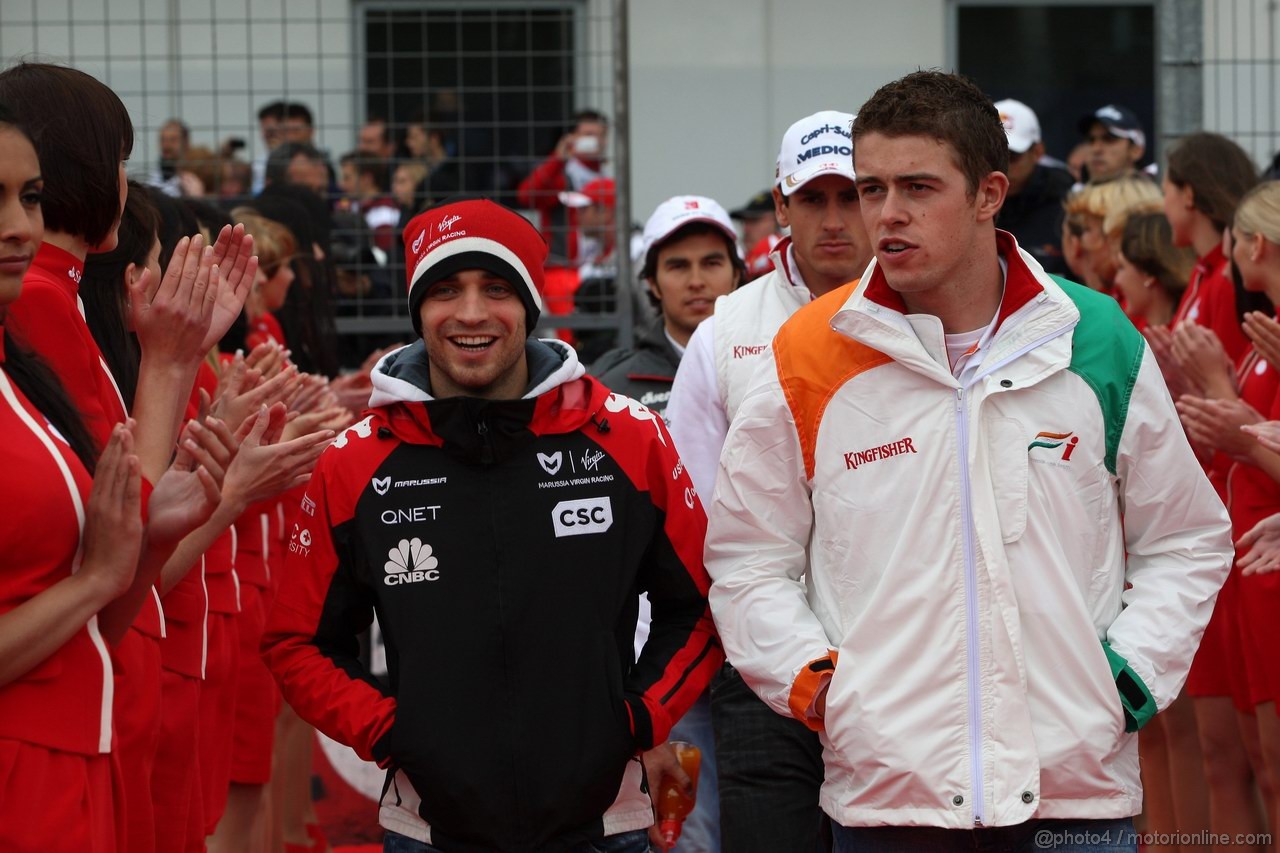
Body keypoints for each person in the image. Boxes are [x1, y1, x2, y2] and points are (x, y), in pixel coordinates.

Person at [704, 70, 1233, 852]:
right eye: (870, 187)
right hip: (891, 801)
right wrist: (822, 686)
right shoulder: (807, 354)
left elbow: (1186, 539)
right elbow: (749, 558)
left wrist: (1125, 681)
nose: (887, 214)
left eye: (918, 186)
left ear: (989, 193)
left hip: (1073, 801)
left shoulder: (1095, 339)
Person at [262, 197, 722, 852]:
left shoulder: (628, 437)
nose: (472, 313)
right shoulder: (356, 459)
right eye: (445, 289)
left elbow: (700, 606)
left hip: (603, 825)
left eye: (497, 289)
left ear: (531, 307)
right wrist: (391, 731)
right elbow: (296, 640)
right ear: (418, 309)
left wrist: (638, 717)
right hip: (429, 831)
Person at [665, 109, 871, 853]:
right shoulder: (726, 332)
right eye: (813, 200)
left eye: (852, 196)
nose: (835, 219)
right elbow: (690, 509)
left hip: (898, 655)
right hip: (762, 666)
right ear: (781, 206)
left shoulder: (936, 313)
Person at [592, 195, 743, 420]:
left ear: (736, 275)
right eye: (678, 266)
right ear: (653, 283)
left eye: (711, 263)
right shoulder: (612, 391)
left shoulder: (776, 368)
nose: (696, 281)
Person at [517, 109, 608, 265]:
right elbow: (526, 196)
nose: (597, 141)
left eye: (602, 135)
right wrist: (557, 159)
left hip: (597, 267)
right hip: (562, 268)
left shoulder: (607, 178)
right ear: (572, 138)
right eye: (589, 135)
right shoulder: (560, 176)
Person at [992, 99, 1072, 276]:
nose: (1002, 166)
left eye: (1012, 156)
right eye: (993, 156)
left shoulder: (1069, 203)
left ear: (1037, 152)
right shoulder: (966, 200)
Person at [1077, 104, 1146, 183]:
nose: (1096, 149)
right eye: (1091, 140)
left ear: (1136, 150)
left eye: (1109, 139)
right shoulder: (1073, 194)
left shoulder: (1158, 194)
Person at [729, 190, 782, 281]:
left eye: (754, 221)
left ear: (778, 218)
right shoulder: (741, 257)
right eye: (744, 222)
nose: (746, 229)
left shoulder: (780, 249)